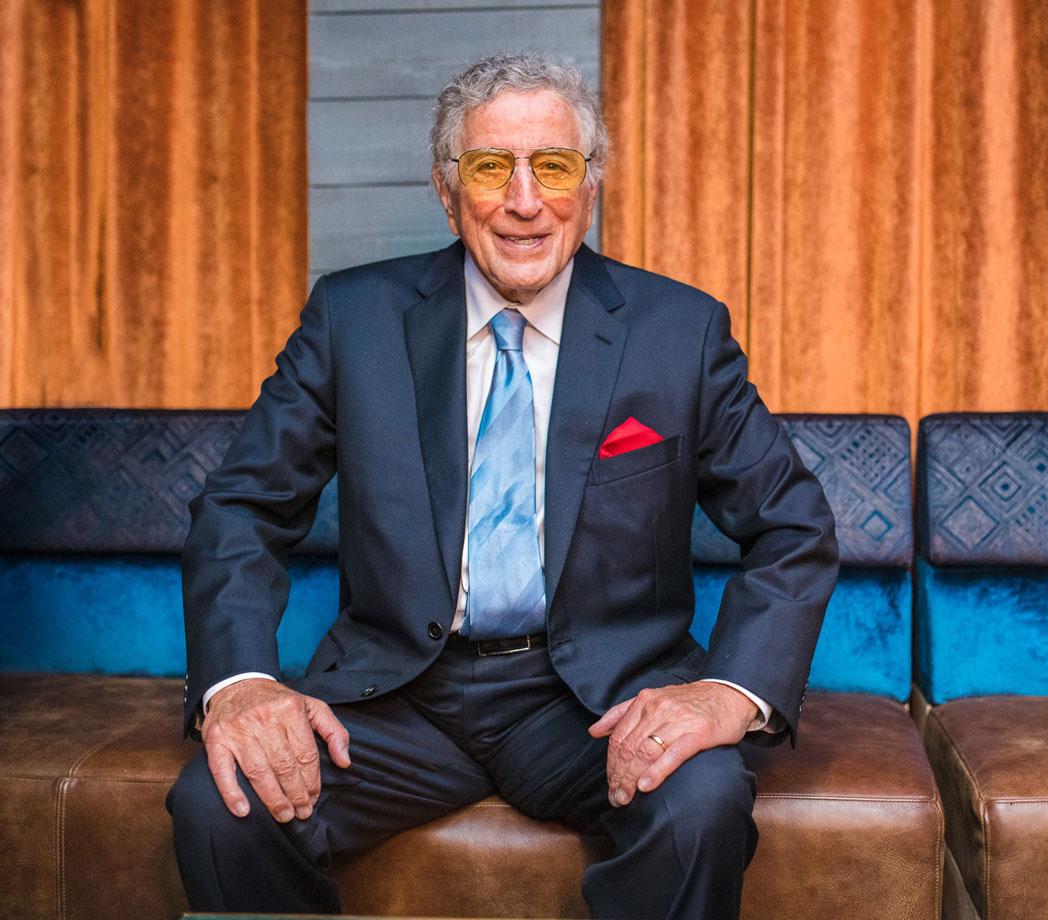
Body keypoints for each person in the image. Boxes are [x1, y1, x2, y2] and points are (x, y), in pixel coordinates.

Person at [166, 52, 837, 920]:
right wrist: (241, 683)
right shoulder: (354, 319)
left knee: (701, 805)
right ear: (448, 191)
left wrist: (725, 694)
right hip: (400, 697)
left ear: (590, 188)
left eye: (553, 166)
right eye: (492, 168)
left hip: (598, 700)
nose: (526, 201)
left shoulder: (680, 333)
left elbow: (792, 526)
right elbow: (241, 509)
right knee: (220, 809)